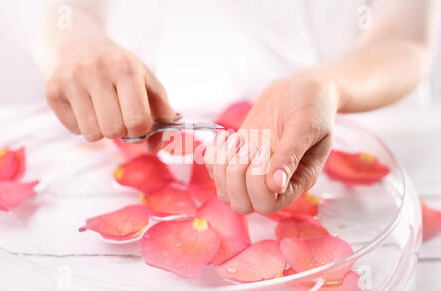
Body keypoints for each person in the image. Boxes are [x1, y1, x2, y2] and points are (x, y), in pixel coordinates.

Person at [37, 0, 438, 215]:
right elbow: (67, 8)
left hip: (351, 134)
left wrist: (328, 87)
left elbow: (403, 38)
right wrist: (78, 45)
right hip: (142, 139)